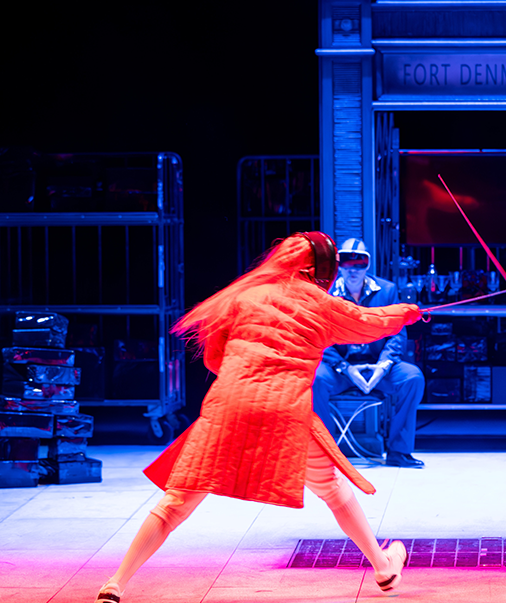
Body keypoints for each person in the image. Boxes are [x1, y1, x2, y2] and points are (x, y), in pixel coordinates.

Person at [95, 232, 421, 603]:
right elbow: (370, 322)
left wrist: (245, 377)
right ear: (321, 269)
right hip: (285, 411)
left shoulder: (244, 296)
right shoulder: (322, 304)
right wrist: (412, 311)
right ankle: (382, 568)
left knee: (174, 505)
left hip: (227, 406)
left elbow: (214, 359)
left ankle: (115, 584)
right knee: (331, 489)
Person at [313, 238, 426, 469]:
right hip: (341, 368)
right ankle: (327, 453)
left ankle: (399, 451)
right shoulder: (326, 293)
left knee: (412, 377)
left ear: (368, 265)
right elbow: (320, 337)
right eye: (346, 263)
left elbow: (397, 332)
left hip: (378, 366)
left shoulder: (386, 290)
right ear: (338, 264)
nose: (352, 270)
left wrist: (383, 366)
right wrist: (345, 368)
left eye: (359, 263)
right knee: (314, 379)